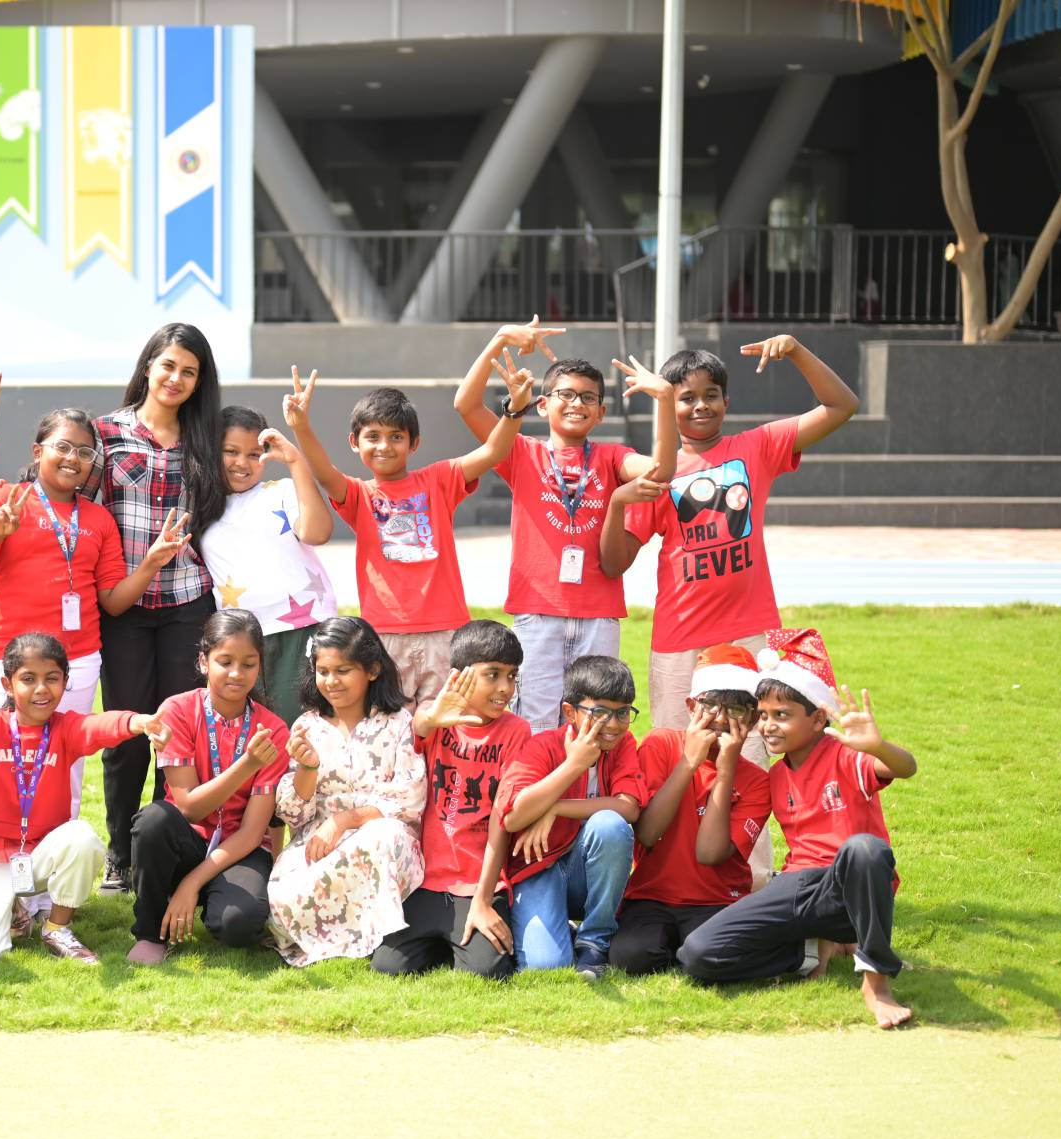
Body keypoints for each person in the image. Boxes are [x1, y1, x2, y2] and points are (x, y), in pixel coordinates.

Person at [599, 337, 859, 829]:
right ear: (668, 406)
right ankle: (677, 883)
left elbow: (842, 405)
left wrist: (799, 351)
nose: (700, 405)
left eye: (710, 394)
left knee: (751, 758)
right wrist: (619, 502)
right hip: (679, 645)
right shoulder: (658, 474)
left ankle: (751, 882)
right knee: (680, 759)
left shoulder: (756, 448)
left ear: (726, 401)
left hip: (750, 637)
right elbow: (614, 564)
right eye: (686, 397)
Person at [677, 629, 918, 1029]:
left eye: (782, 716)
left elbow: (904, 768)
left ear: (819, 718)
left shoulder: (845, 757)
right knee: (697, 954)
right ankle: (805, 953)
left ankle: (876, 982)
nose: (768, 726)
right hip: (798, 886)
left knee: (864, 849)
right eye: (764, 715)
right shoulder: (775, 776)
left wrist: (876, 746)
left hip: (852, 884)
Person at [0, 407, 190, 806]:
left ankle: (63, 859)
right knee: (4, 767)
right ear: (37, 451)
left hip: (76, 662)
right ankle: (2, 861)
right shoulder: (3, 497)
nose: (73, 459)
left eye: (85, 452)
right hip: (9, 655)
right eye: (62, 447)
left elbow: (113, 602)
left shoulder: (98, 519)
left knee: (66, 771)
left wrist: (151, 561)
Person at [0, 632, 172, 964]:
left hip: (41, 855)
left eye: (52, 679)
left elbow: (101, 725)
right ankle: (8, 911)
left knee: (83, 839)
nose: (41, 689)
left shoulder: (66, 729)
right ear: (8, 685)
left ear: (65, 681)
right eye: (28, 679)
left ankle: (57, 927)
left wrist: (139, 722)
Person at [453, 319, 677, 730]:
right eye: (566, 394)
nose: (577, 403)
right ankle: (538, 795)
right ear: (543, 404)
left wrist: (664, 400)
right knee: (536, 721)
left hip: (599, 616)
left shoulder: (612, 457)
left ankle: (590, 795)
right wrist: (500, 338)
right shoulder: (519, 452)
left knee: (594, 722)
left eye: (588, 398)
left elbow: (659, 473)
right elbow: (466, 406)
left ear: (601, 412)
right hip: (538, 614)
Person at [282, 369, 522, 709]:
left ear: (414, 443)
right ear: (355, 442)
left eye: (396, 436)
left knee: (443, 727)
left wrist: (514, 410)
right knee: (392, 727)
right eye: (373, 436)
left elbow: (494, 451)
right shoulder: (358, 494)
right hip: (385, 636)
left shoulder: (439, 479)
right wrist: (300, 426)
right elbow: (324, 473)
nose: (384, 446)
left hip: (446, 632)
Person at [89, 322, 224, 894]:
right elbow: (78, 502)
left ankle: (162, 849)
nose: (175, 379)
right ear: (148, 366)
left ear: (198, 383)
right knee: (125, 735)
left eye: (189, 372)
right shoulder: (106, 434)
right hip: (124, 605)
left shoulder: (205, 439)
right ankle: (121, 854)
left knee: (178, 733)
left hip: (187, 604)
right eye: (168, 365)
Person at [128, 609, 290, 965]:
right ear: (204, 661)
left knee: (239, 926)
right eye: (225, 661)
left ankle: (200, 900)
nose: (236, 673)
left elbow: (251, 834)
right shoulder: (178, 711)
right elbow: (189, 807)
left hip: (239, 849)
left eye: (249, 663)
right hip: (184, 838)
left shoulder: (274, 731)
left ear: (260, 666)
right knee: (154, 820)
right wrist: (246, 765)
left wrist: (192, 884)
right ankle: (150, 931)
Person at [373, 619, 530, 979]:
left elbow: (501, 822)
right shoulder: (435, 715)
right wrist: (428, 722)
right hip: (424, 881)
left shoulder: (516, 732)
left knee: (485, 972)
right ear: (459, 675)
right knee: (388, 967)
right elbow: (406, 745)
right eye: (493, 674)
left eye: (511, 676)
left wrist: (484, 900)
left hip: (477, 883)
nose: (505, 688)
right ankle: (443, 939)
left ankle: (465, 936)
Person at [268, 616, 427, 966]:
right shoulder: (307, 725)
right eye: (323, 671)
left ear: (372, 670)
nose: (330, 681)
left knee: (381, 838)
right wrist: (307, 769)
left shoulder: (398, 722)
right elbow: (292, 813)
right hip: (321, 841)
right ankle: (353, 936)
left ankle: (361, 934)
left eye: (343, 670)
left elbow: (409, 799)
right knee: (283, 894)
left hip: (383, 839)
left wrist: (345, 820)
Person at [610, 645, 771, 976]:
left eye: (737, 710)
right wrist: (689, 763)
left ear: (753, 720)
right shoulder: (661, 744)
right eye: (711, 705)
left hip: (717, 900)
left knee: (705, 960)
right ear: (691, 706)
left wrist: (725, 772)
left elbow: (709, 853)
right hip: (652, 896)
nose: (722, 719)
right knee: (632, 958)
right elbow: (647, 833)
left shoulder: (756, 782)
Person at [488, 654, 646, 979]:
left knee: (609, 825)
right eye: (600, 712)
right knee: (545, 966)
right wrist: (573, 765)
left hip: (587, 868)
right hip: (539, 867)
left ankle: (594, 941)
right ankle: (565, 932)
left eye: (622, 713)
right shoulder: (542, 746)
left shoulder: (623, 745)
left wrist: (557, 807)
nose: (613, 725)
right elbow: (513, 818)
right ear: (570, 712)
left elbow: (628, 808)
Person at [196, 403, 338, 726]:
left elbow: (318, 532)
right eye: (230, 451)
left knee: (302, 726)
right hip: (242, 639)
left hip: (301, 629)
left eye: (252, 453)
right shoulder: (202, 505)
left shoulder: (282, 491)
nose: (241, 463)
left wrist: (296, 462)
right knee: (253, 731)